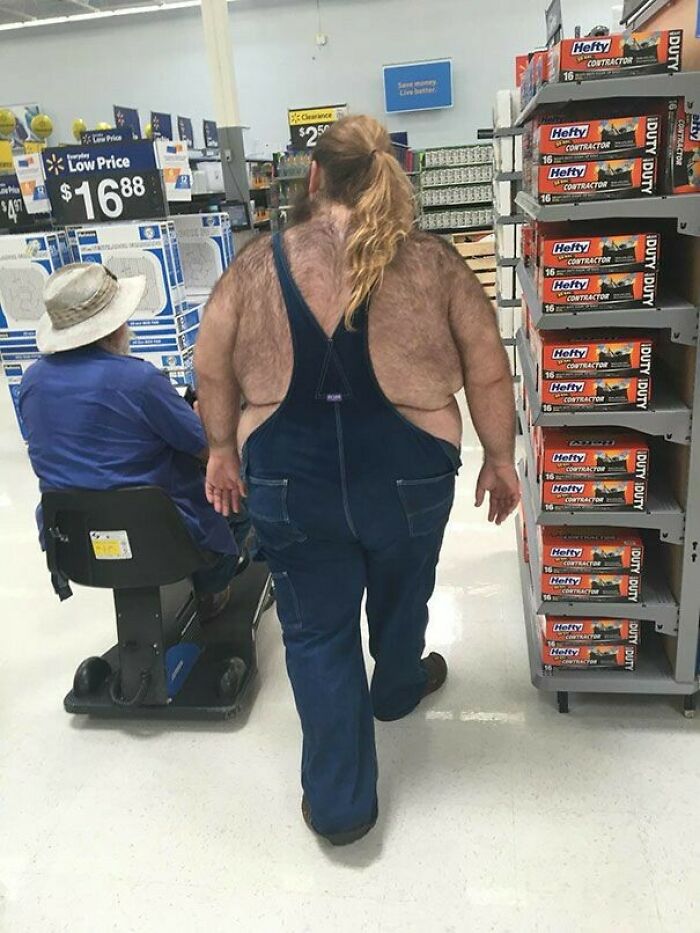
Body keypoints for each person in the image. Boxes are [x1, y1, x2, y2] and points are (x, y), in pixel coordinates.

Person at [194, 115, 520, 845]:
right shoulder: (434, 262)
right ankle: (398, 685)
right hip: (409, 478)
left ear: (314, 178)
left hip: (289, 481)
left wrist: (219, 446)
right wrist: (501, 459)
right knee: (405, 585)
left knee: (315, 632)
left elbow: (210, 364)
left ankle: (342, 807)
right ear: (388, 174)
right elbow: (487, 365)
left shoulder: (253, 266)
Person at [20, 262, 248, 618]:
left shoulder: (31, 384)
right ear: (114, 327)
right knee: (237, 487)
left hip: (72, 540)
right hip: (163, 536)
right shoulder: (140, 381)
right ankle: (213, 583)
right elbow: (206, 448)